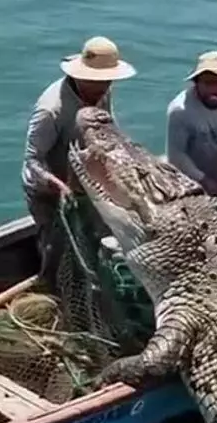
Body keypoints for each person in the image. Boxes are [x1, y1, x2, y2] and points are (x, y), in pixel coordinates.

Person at [21, 36, 137, 284]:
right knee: (56, 249)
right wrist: (59, 187)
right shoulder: (51, 109)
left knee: (96, 238)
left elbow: (106, 125)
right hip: (48, 190)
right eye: (99, 81)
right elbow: (33, 160)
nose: (105, 86)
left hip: (82, 181)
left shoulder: (102, 89)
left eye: (109, 80)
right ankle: (50, 289)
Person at [165, 50, 217, 197]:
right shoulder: (180, 110)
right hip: (190, 182)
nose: (215, 89)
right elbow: (176, 155)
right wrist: (203, 180)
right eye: (209, 82)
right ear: (196, 81)